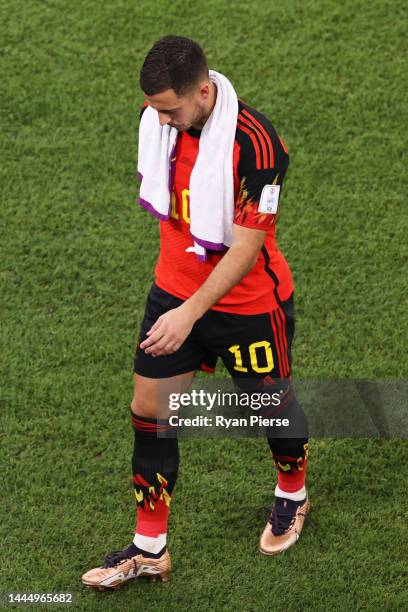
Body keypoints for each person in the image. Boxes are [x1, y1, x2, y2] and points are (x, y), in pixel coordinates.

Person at [81, 35, 309, 592]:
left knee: (268, 407)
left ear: (203, 92)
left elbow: (247, 248)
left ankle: (292, 494)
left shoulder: (258, 146)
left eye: (168, 109)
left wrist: (190, 313)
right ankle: (149, 548)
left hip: (249, 303)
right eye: (153, 108)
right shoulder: (160, 118)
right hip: (173, 293)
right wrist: (179, 306)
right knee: (149, 409)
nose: (157, 120)